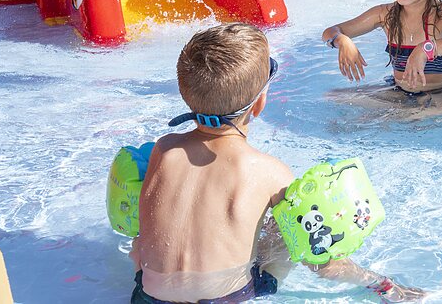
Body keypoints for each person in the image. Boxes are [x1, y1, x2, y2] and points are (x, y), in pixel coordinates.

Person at [132, 25, 423, 303]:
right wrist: (380, 282)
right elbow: (322, 264)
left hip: (147, 297)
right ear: (259, 103)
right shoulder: (269, 172)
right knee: (287, 228)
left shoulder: (164, 148)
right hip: (226, 300)